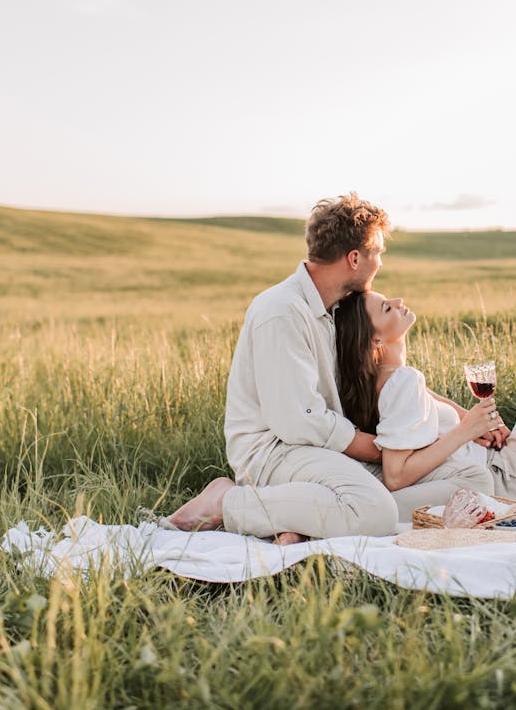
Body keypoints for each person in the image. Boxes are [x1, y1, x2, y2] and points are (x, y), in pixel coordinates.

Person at [164, 193, 489, 542]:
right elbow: (300, 421)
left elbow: (379, 376)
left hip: (325, 451)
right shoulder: (282, 312)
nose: (379, 263)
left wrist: (454, 416)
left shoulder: (337, 309)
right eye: (376, 253)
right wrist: (384, 448)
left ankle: (311, 517)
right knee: (374, 512)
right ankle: (226, 501)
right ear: (353, 258)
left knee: (473, 479)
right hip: (275, 453)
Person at [333, 289, 516, 504]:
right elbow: (396, 476)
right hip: (505, 479)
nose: (398, 302)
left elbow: (422, 399)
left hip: (499, 464)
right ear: (376, 340)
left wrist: (471, 420)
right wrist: (466, 430)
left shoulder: (393, 379)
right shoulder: (402, 382)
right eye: (387, 308)